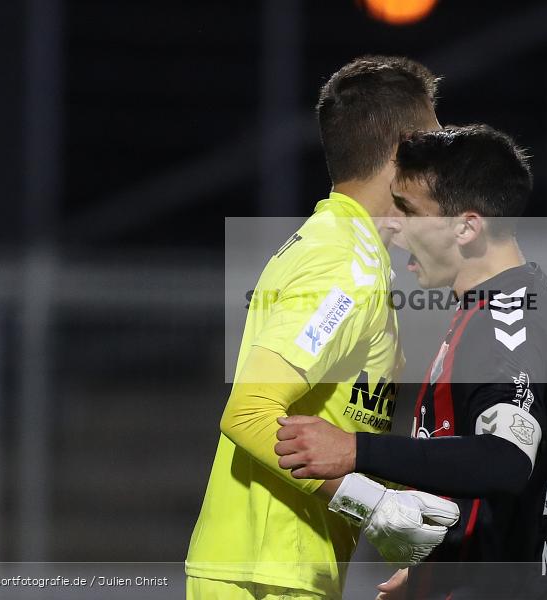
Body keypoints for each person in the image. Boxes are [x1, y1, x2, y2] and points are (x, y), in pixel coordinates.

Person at [186, 56, 460, 600]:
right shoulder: (343, 264)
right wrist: (373, 504)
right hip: (268, 576)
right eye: (434, 144)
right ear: (404, 150)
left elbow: (341, 416)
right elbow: (249, 412)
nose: (444, 166)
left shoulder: (342, 247)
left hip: (279, 570)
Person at [275, 125, 547, 599]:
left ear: (466, 227)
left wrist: (354, 449)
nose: (395, 228)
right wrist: (440, 567)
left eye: (410, 212)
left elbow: (505, 459)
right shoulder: (540, 297)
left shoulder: (505, 322)